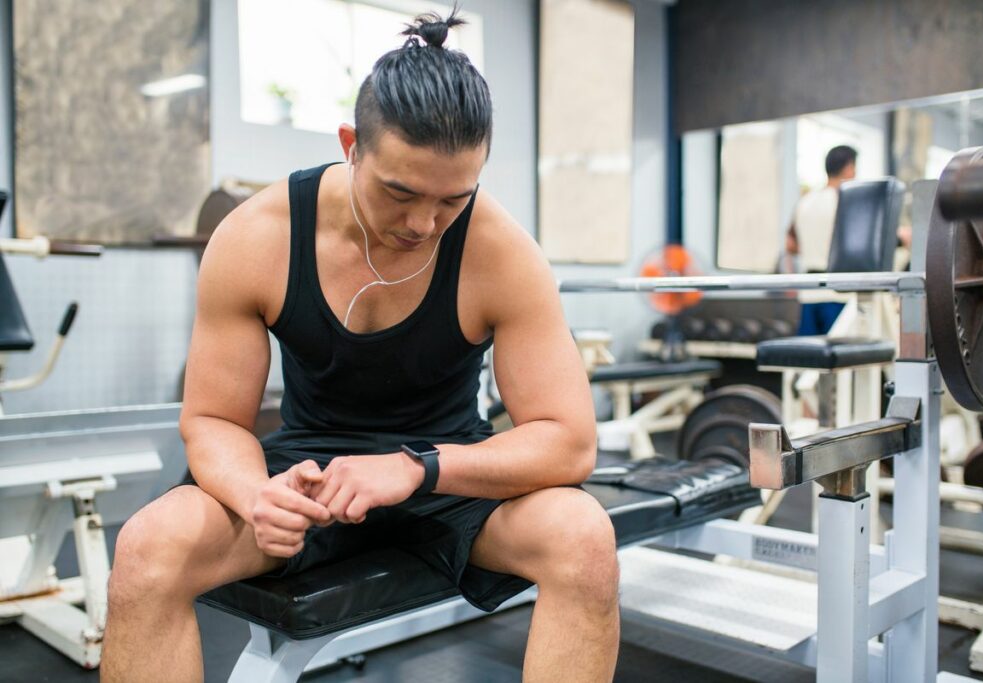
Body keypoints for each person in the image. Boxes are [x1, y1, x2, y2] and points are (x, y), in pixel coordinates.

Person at [101, 11, 619, 683]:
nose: (424, 223)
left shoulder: (502, 253)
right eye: (400, 193)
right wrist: (259, 494)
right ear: (351, 144)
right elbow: (212, 421)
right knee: (147, 546)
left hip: (447, 477)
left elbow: (570, 441)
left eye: (453, 200)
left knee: (584, 538)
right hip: (308, 475)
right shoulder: (258, 237)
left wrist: (417, 467)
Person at [781, 144, 857, 334]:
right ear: (849, 168)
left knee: (810, 361)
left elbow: (790, 245)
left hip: (809, 293)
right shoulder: (846, 200)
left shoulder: (805, 201)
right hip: (837, 294)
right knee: (841, 360)